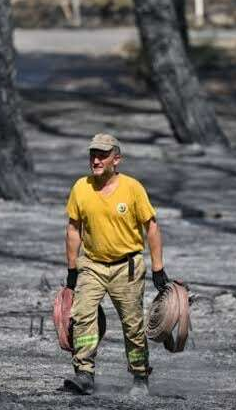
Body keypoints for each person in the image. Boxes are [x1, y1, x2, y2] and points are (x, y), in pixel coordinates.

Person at [63, 133, 170, 396]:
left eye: (102, 155)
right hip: (92, 265)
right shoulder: (80, 187)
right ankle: (84, 374)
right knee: (82, 315)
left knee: (132, 326)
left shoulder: (132, 188)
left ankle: (140, 377)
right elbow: (73, 229)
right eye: (93, 155)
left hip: (127, 267)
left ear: (117, 159)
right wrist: (72, 269)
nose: (96, 160)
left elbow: (152, 227)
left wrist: (158, 268)